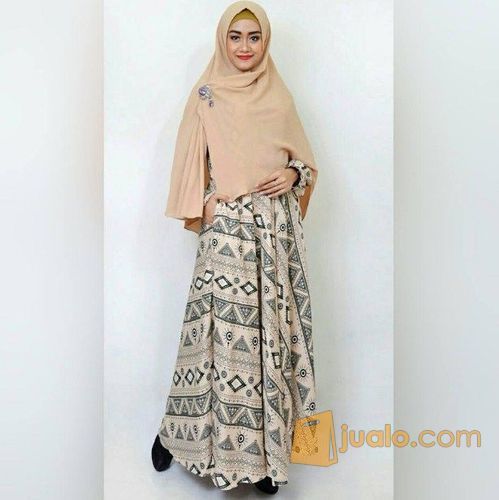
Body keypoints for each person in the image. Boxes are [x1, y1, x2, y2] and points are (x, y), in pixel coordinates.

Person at [152, 1, 319, 494]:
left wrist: (293, 174)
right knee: (213, 337)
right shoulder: (207, 94)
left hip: (276, 234)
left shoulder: (280, 95)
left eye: (254, 37)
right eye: (235, 36)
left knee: (275, 336)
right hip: (228, 231)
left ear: (265, 42)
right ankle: (177, 434)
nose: (245, 46)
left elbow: (304, 161)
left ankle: (266, 456)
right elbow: (189, 160)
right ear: (222, 40)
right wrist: (207, 204)